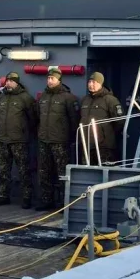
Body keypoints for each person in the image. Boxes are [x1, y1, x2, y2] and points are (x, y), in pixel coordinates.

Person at [37, 66, 80, 210]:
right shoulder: (43, 96)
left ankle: (64, 202)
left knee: (62, 174)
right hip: (44, 140)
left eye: (52, 78)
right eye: (48, 78)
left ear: (59, 80)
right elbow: (38, 117)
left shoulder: (68, 98)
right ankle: (46, 200)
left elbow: (74, 120)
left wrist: (71, 137)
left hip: (60, 141)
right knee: (44, 172)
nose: (49, 81)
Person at [0, 72, 38, 209]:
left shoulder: (25, 98)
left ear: (17, 83)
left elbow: (33, 119)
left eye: (11, 81)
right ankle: (3, 195)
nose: (8, 83)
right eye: (7, 81)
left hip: (19, 140)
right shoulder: (1, 98)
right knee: (3, 170)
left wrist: (23, 130)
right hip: (3, 139)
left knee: (23, 170)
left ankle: (26, 197)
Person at [79, 71, 123, 164]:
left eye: (94, 82)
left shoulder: (110, 100)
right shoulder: (84, 100)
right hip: (87, 145)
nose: (91, 85)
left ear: (100, 83)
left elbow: (119, 122)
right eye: (89, 82)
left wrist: (106, 134)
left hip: (104, 147)